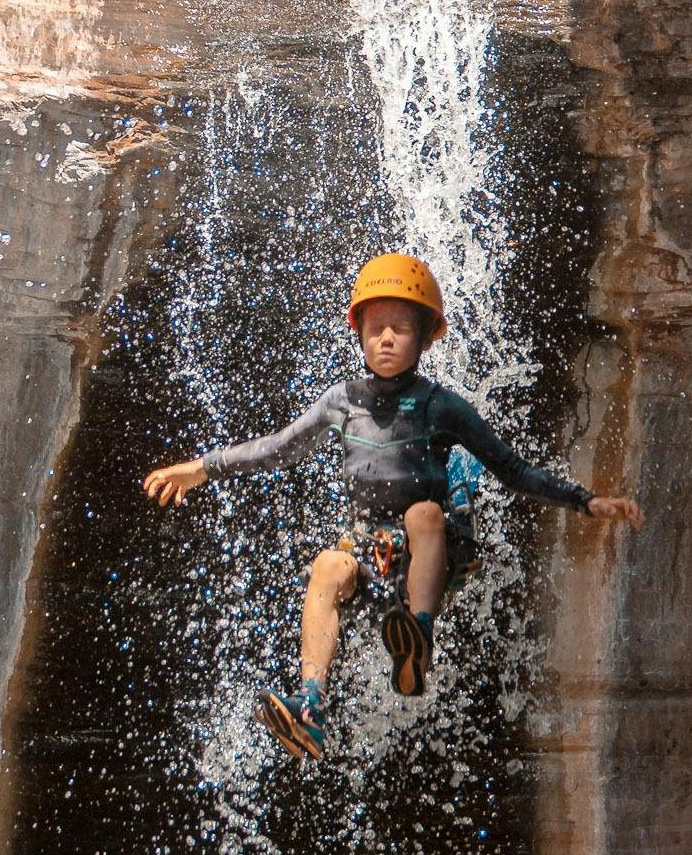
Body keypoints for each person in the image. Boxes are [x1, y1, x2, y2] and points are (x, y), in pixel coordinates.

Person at [142, 254, 644, 761]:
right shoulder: (340, 402)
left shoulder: (441, 406)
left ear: (427, 338)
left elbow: (511, 470)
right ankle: (310, 705)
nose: (386, 338)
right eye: (376, 327)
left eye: (401, 329)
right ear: (358, 331)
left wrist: (586, 501)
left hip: (432, 549)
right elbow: (276, 449)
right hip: (373, 551)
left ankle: (418, 637)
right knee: (328, 564)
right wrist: (201, 469)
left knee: (422, 514)